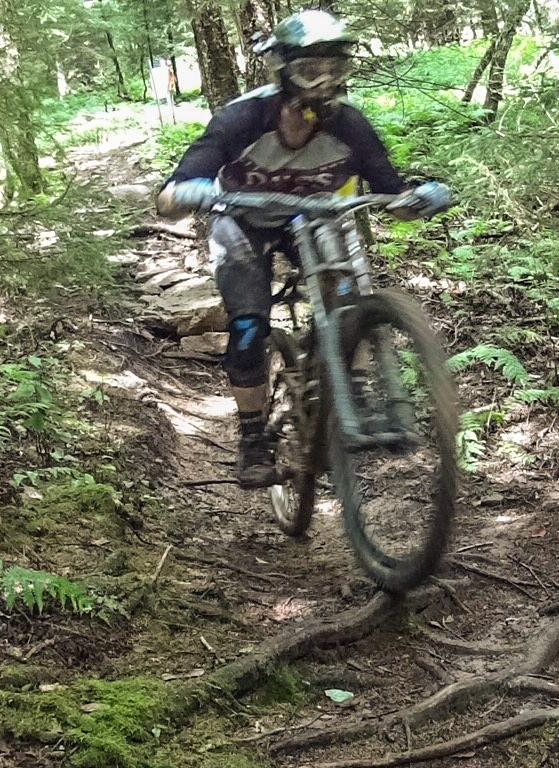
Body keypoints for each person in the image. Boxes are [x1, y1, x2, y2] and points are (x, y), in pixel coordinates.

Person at [156, 9, 453, 487]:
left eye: (336, 68)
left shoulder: (349, 125)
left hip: (313, 218)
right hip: (243, 219)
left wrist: (417, 200)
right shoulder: (243, 118)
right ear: (284, 71)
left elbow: (390, 194)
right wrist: (185, 192)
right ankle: (253, 437)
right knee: (249, 326)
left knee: (348, 300)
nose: (325, 81)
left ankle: (348, 399)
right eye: (311, 69)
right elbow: (172, 193)